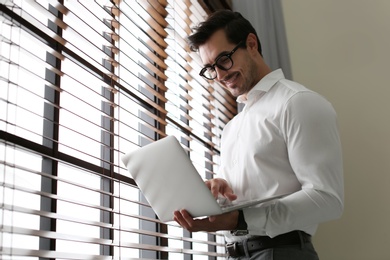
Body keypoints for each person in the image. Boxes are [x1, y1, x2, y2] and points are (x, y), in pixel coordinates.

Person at [173, 10, 344, 260]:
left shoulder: (298, 103)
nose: (219, 75)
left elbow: (328, 199)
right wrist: (220, 189)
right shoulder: (232, 127)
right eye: (210, 68)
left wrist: (240, 219)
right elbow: (255, 190)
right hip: (234, 253)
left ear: (251, 44)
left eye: (224, 60)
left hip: (281, 252)